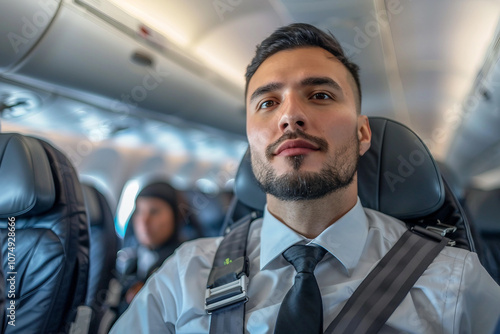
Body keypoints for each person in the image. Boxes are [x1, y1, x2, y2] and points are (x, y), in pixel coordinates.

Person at [110, 23, 500, 333]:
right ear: (249, 137)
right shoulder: (182, 277)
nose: (290, 116)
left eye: (320, 96)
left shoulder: (454, 282)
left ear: (363, 133)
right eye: (268, 102)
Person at [115, 181, 185, 314]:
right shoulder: (129, 259)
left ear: (175, 216)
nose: (144, 221)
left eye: (154, 212)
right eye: (139, 211)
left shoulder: (183, 261)